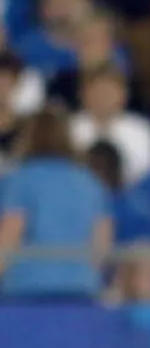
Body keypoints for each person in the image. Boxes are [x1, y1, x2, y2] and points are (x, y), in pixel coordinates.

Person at [0, 107, 113, 300]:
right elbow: (102, 246)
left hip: (26, 291)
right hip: (81, 289)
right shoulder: (90, 182)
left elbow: (9, 239)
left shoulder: (19, 180)